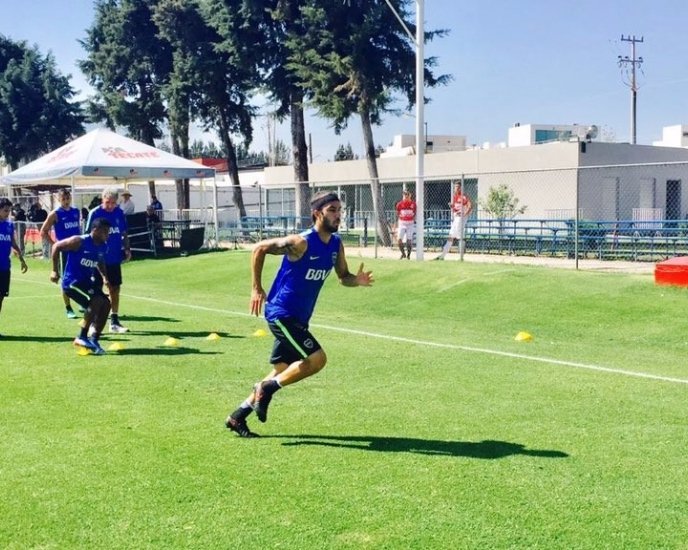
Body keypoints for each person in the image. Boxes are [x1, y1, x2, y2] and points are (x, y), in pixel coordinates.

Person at [225, 191, 374, 438]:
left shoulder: (336, 245)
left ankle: (237, 417)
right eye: (332, 210)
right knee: (317, 359)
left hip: (299, 319)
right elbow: (259, 248)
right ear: (317, 214)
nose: (339, 215)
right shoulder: (300, 242)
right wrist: (256, 288)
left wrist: (355, 280)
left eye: (340, 210)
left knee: (282, 368)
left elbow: (343, 277)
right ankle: (267, 389)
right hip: (281, 313)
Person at [50, 218, 111, 355]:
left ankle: (94, 339)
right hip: (72, 283)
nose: (108, 235)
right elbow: (56, 247)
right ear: (95, 230)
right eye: (105, 231)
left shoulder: (103, 246)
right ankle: (82, 336)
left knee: (106, 303)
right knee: (97, 300)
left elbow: (100, 262)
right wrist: (54, 270)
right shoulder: (79, 241)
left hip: (86, 282)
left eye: (109, 232)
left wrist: (105, 277)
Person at [86, 188, 131, 333]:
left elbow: (123, 233)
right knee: (96, 291)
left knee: (115, 288)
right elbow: (87, 236)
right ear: (102, 199)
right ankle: (94, 323)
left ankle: (114, 321)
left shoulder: (119, 213)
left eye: (113, 203)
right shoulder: (95, 213)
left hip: (114, 258)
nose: (110, 205)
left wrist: (127, 249)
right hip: (98, 259)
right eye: (108, 202)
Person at [40, 189, 82, 318]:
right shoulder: (55, 213)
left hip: (77, 249)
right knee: (66, 279)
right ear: (59, 199)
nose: (66, 201)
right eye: (63, 198)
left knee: (81, 276)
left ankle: (81, 302)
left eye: (67, 198)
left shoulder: (76, 211)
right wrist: (55, 245)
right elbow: (43, 231)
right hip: (64, 251)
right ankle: (68, 307)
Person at [0, 198, 29, 337]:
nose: (7, 213)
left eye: (9, 210)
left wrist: (22, 259)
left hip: (5, 267)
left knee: (0, 298)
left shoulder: (9, 225)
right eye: (5, 210)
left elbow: (13, 243)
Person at [435, 182, 473, 260]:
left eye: (458, 187)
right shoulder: (455, 197)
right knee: (451, 236)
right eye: (455, 187)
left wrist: (465, 214)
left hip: (460, 218)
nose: (456, 188)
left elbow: (470, 206)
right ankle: (443, 256)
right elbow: (456, 209)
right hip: (456, 218)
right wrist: (452, 207)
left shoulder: (464, 197)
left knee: (458, 236)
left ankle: (460, 257)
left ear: (461, 188)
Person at [395, 189, 416, 259]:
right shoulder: (399, 204)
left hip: (410, 224)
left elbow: (414, 213)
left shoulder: (413, 204)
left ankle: (408, 255)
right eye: (404, 194)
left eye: (407, 194)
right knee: (399, 240)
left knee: (409, 240)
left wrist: (413, 219)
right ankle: (403, 254)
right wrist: (396, 224)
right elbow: (397, 214)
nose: (406, 196)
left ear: (410, 195)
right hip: (402, 223)